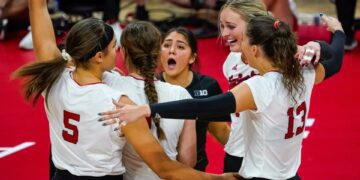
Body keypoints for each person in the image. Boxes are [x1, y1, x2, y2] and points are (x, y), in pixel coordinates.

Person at [99, 14, 345, 179]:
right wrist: (337, 34)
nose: (238, 45)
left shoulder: (260, 87)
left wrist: (148, 109)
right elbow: (335, 59)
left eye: (244, 41)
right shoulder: (304, 73)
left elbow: (204, 106)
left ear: (256, 49)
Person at [13, 0, 239, 179]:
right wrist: (218, 179)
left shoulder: (53, 79)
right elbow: (166, 168)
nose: (116, 51)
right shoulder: (119, 103)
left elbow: (41, 21)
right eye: (113, 47)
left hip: (61, 175)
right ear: (99, 57)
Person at [102, 21, 197, 179]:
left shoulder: (109, 84)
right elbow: (188, 160)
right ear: (159, 53)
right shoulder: (181, 95)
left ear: (123, 53)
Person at [159, 26, 230, 171]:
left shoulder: (208, 86)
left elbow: (221, 131)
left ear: (192, 58)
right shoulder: (149, 86)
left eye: (180, 47)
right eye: (166, 45)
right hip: (158, 171)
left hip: (195, 172)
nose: (171, 50)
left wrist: (247, 157)